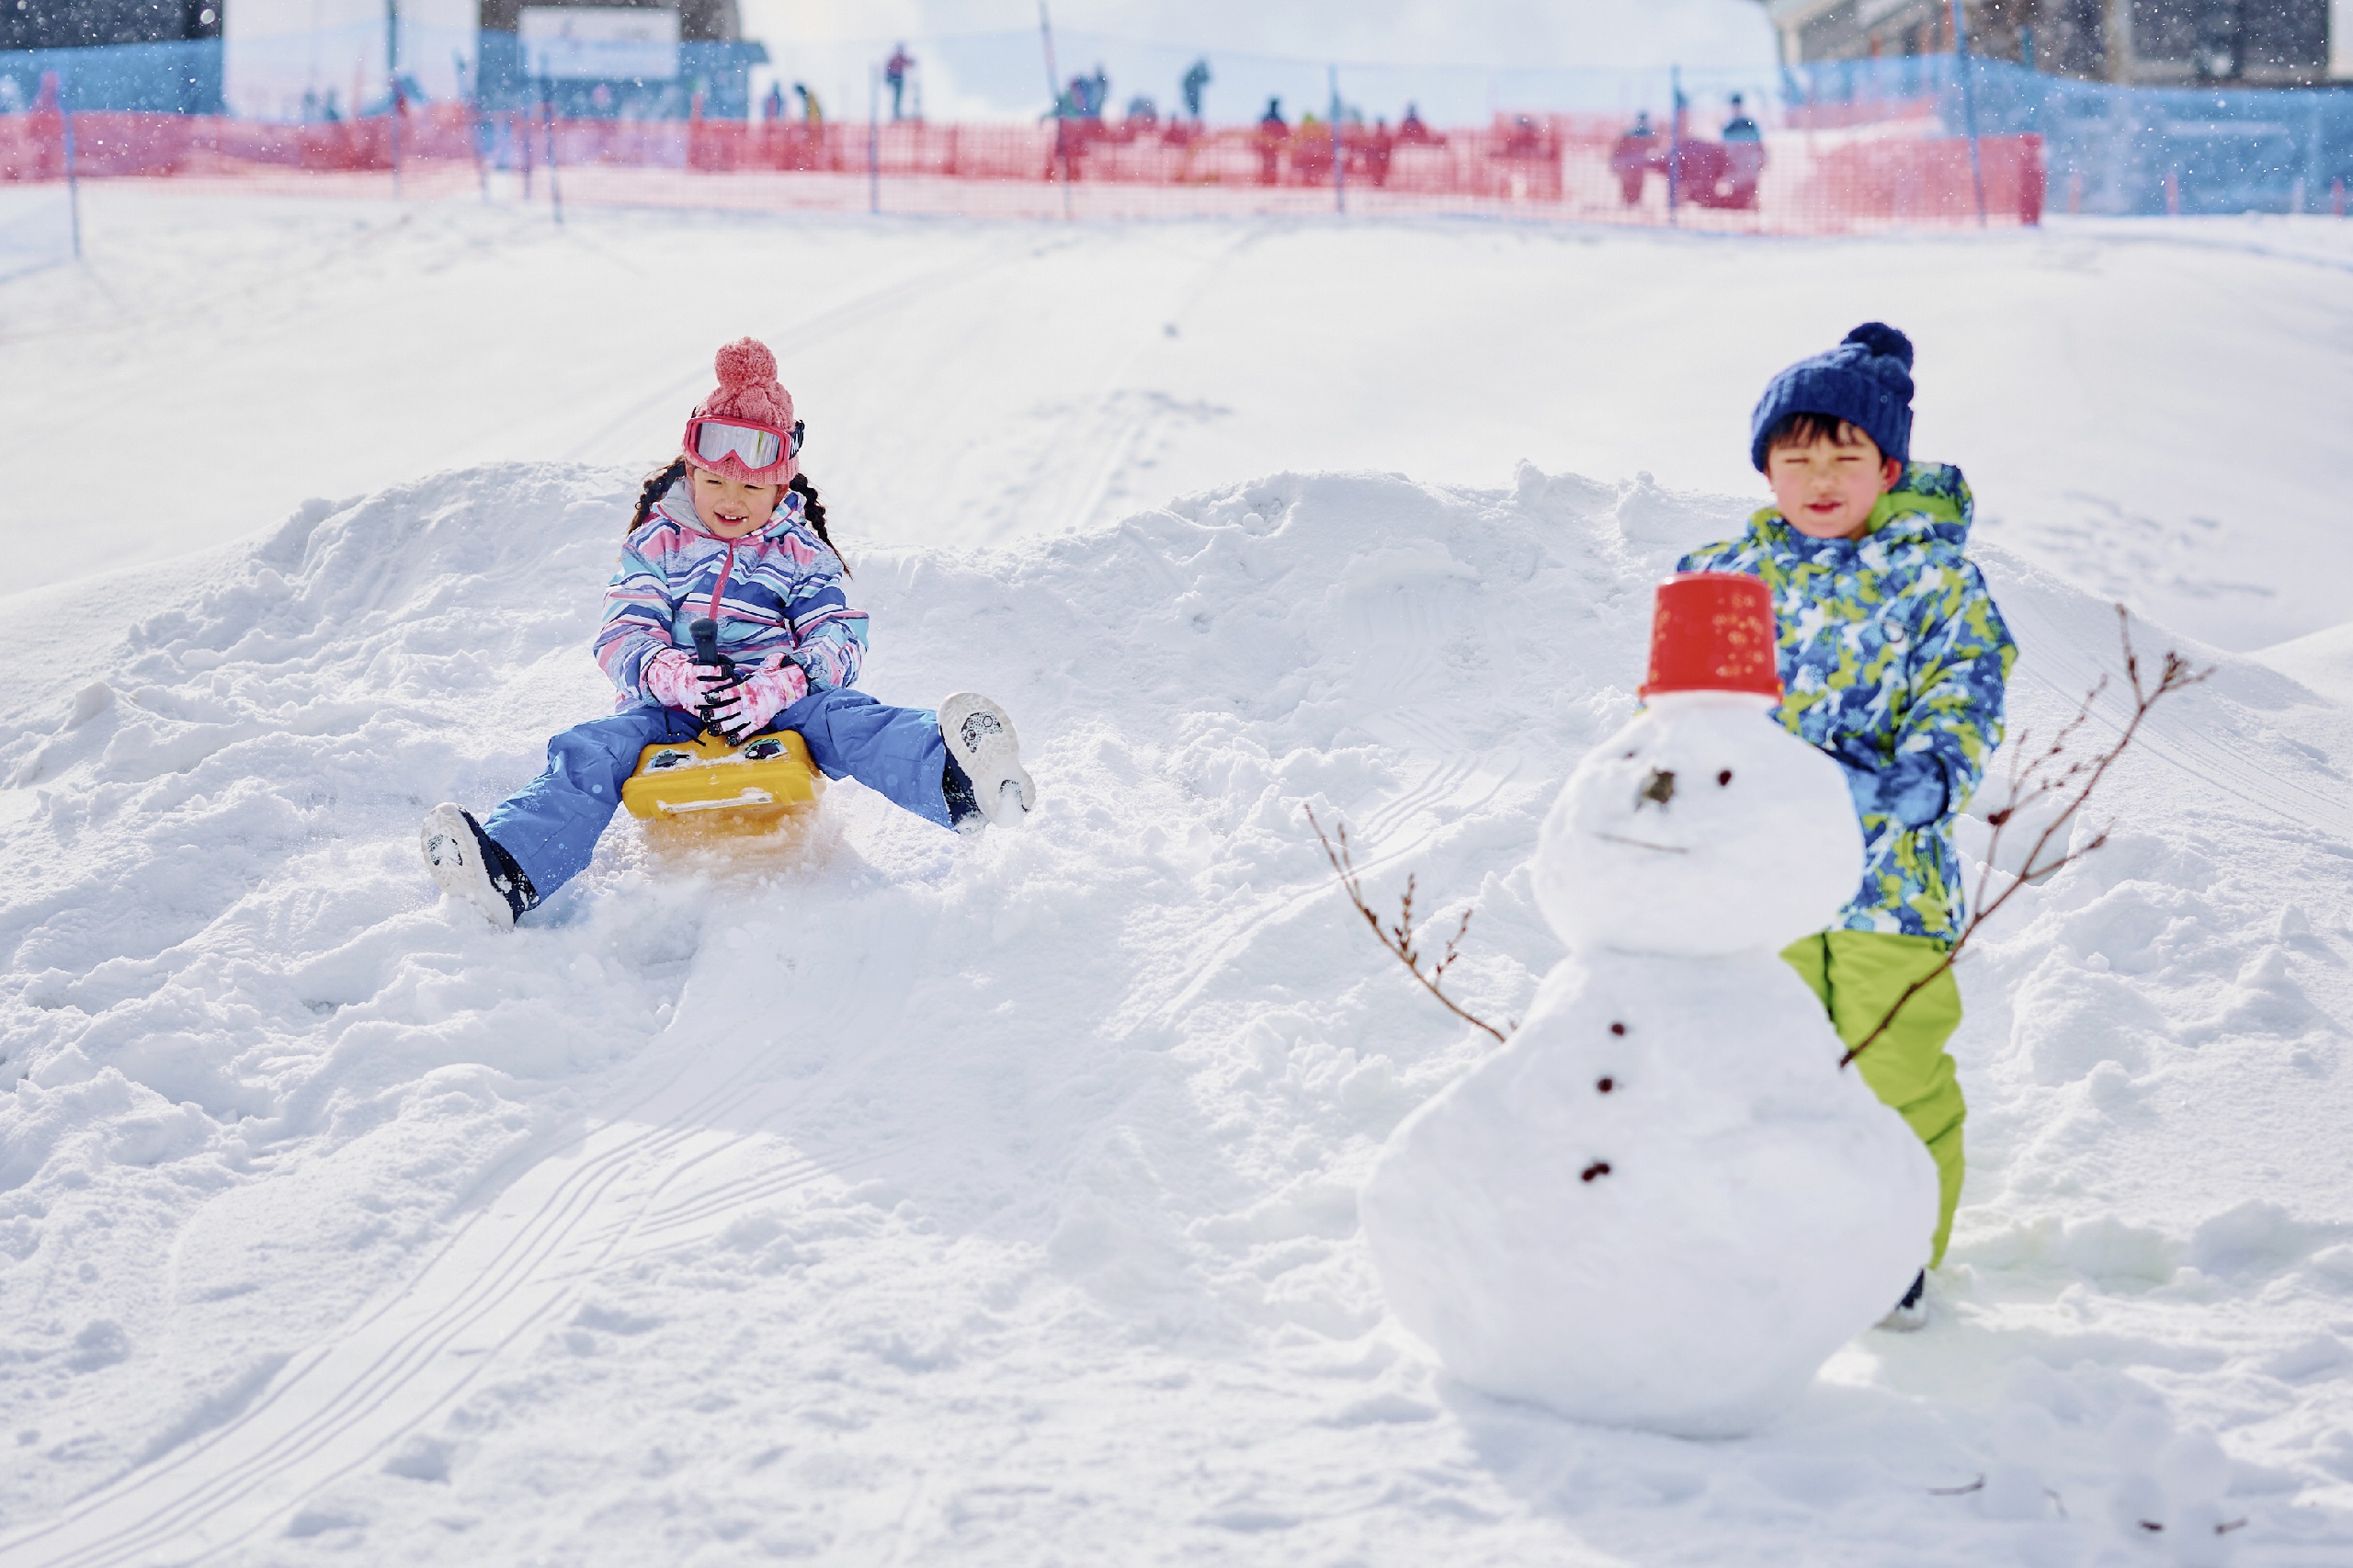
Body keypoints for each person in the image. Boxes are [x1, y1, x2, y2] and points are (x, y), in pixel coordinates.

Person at [420, 338, 1037, 930]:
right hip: (669, 713)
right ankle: (508, 872)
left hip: (776, 707)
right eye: (714, 481)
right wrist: (667, 673)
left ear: (780, 483)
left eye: (750, 486)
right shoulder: (657, 543)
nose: (731, 500)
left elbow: (839, 634)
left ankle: (961, 782)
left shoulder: (798, 552)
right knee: (590, 751)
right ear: (691, 469)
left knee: (849, 719)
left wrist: (785, 682)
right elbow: (623, 629)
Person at [1675, 323, 2016, 1330]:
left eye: (1845, 455)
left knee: (1892, 1069)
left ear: (1887, 466)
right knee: (1763, 1064)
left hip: (1890, 881)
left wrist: (1926, 775)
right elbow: (1680, 706)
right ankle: (1768, 1240)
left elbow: (1967, 685)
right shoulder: (1722, 573)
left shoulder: (1934, 578)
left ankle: (1892, 1257)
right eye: (1796, 455)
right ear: (1765, 467)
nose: (1820, 476)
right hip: (1759, 880)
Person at [885, 43, 912, 120]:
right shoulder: (896, 59)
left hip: (898, 78)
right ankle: (896, 113)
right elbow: (889, 68)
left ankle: (896, 112)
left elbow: (908, 63)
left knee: (898, 96)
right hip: (897, 78)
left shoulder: (899, 58)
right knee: (897, 96)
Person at [1180, 57, 1211, 121]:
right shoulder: (1193, 73)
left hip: (1194, 95)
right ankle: (1193, 123)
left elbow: (1207, 79)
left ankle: (1194, 122)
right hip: (1191, 95)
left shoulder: (1195, 74)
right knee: (1192, 111)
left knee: (1194, 111)